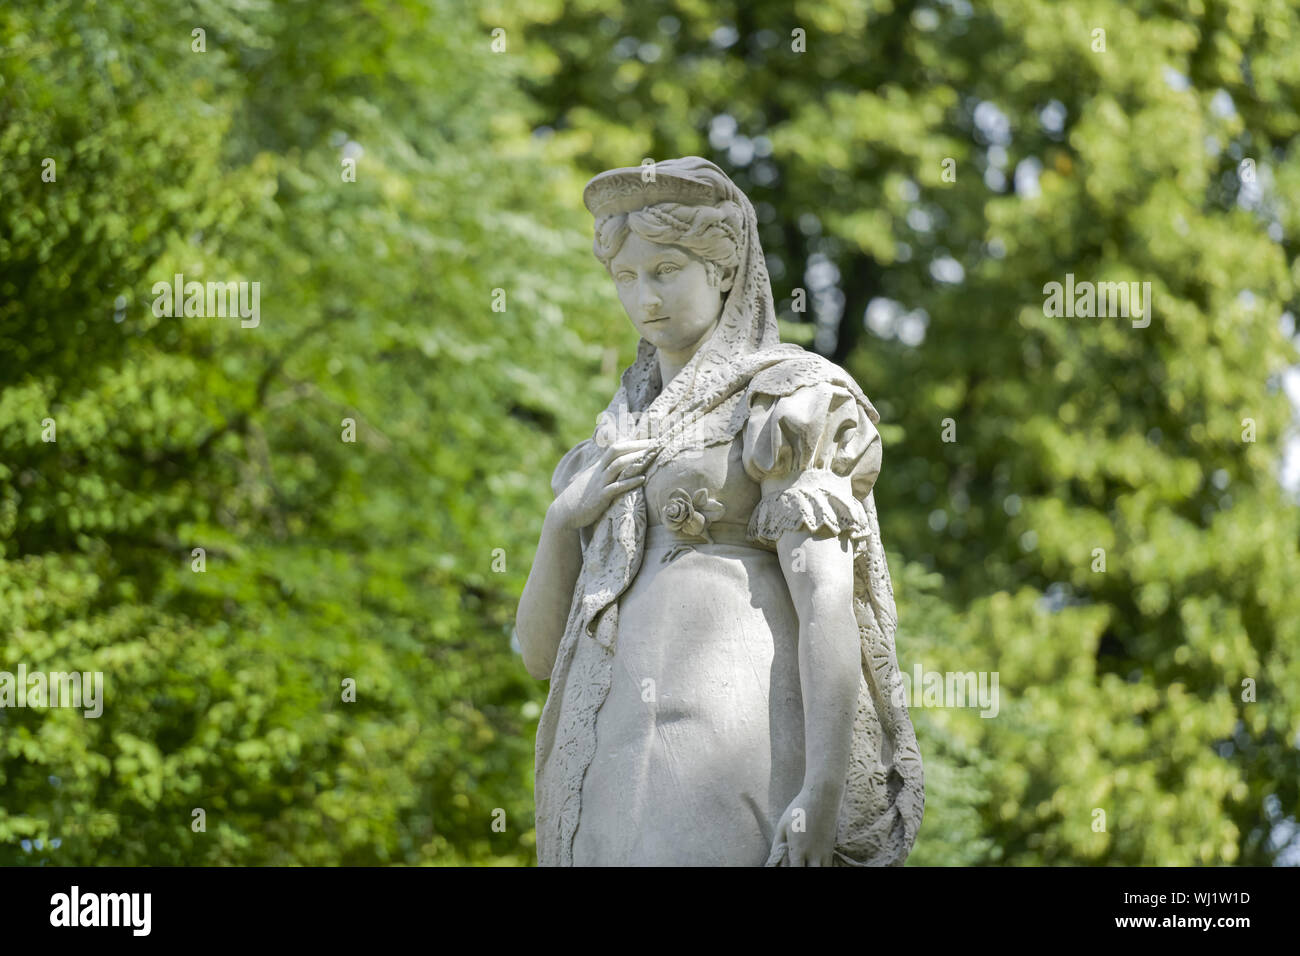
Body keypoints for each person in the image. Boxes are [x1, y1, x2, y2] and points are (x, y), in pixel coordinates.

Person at [516, 157, 923, 866]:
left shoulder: (789, 400)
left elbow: (826, 600)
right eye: (626, 276)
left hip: (734, 749)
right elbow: (539, 656)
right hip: (609, 766)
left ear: (725, 269)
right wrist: (562, 522)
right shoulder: (611, 440)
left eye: (666, 270)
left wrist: (823, 790)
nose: (645, 298)